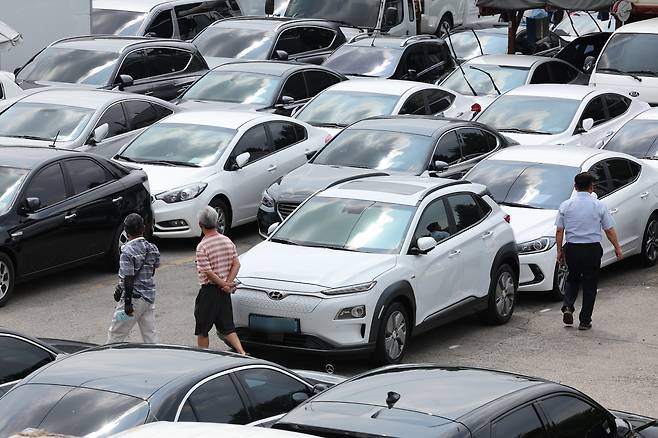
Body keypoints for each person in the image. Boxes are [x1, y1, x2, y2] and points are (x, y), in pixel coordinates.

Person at [555, 172, 622, 330]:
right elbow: (609, 230)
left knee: (572, 278)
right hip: (591, 249)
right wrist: (617, 247)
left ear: (575, 187)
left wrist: (559, 251)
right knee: (590, 284)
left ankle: (568, 306)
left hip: (572, 248)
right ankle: (585, 321)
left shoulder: (565, 205)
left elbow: (559, 231)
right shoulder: (599, 205)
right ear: (591, 187)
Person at [194, 206, 247, 354]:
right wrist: (227, 284)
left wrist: (224, 284)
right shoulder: (227, 241)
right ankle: (241, 352)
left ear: (200, 225)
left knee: (203, 329)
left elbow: (208, 272)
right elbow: (236, 263)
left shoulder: (202, 246)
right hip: (224, 291)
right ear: (217, 222)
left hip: (209, 291)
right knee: (227, 327)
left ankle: (204, 355)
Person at [107, 214, 160, 344]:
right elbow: (153, 270)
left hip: (133, 301)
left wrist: (128, 303)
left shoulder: (127, 251)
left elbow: (128, 278)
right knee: (150, 336)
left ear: (126, 230)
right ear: (143, 228)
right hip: (148, 298)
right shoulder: (153, 248)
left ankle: (109, 360)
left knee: (116, 334)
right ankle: (156, 359)